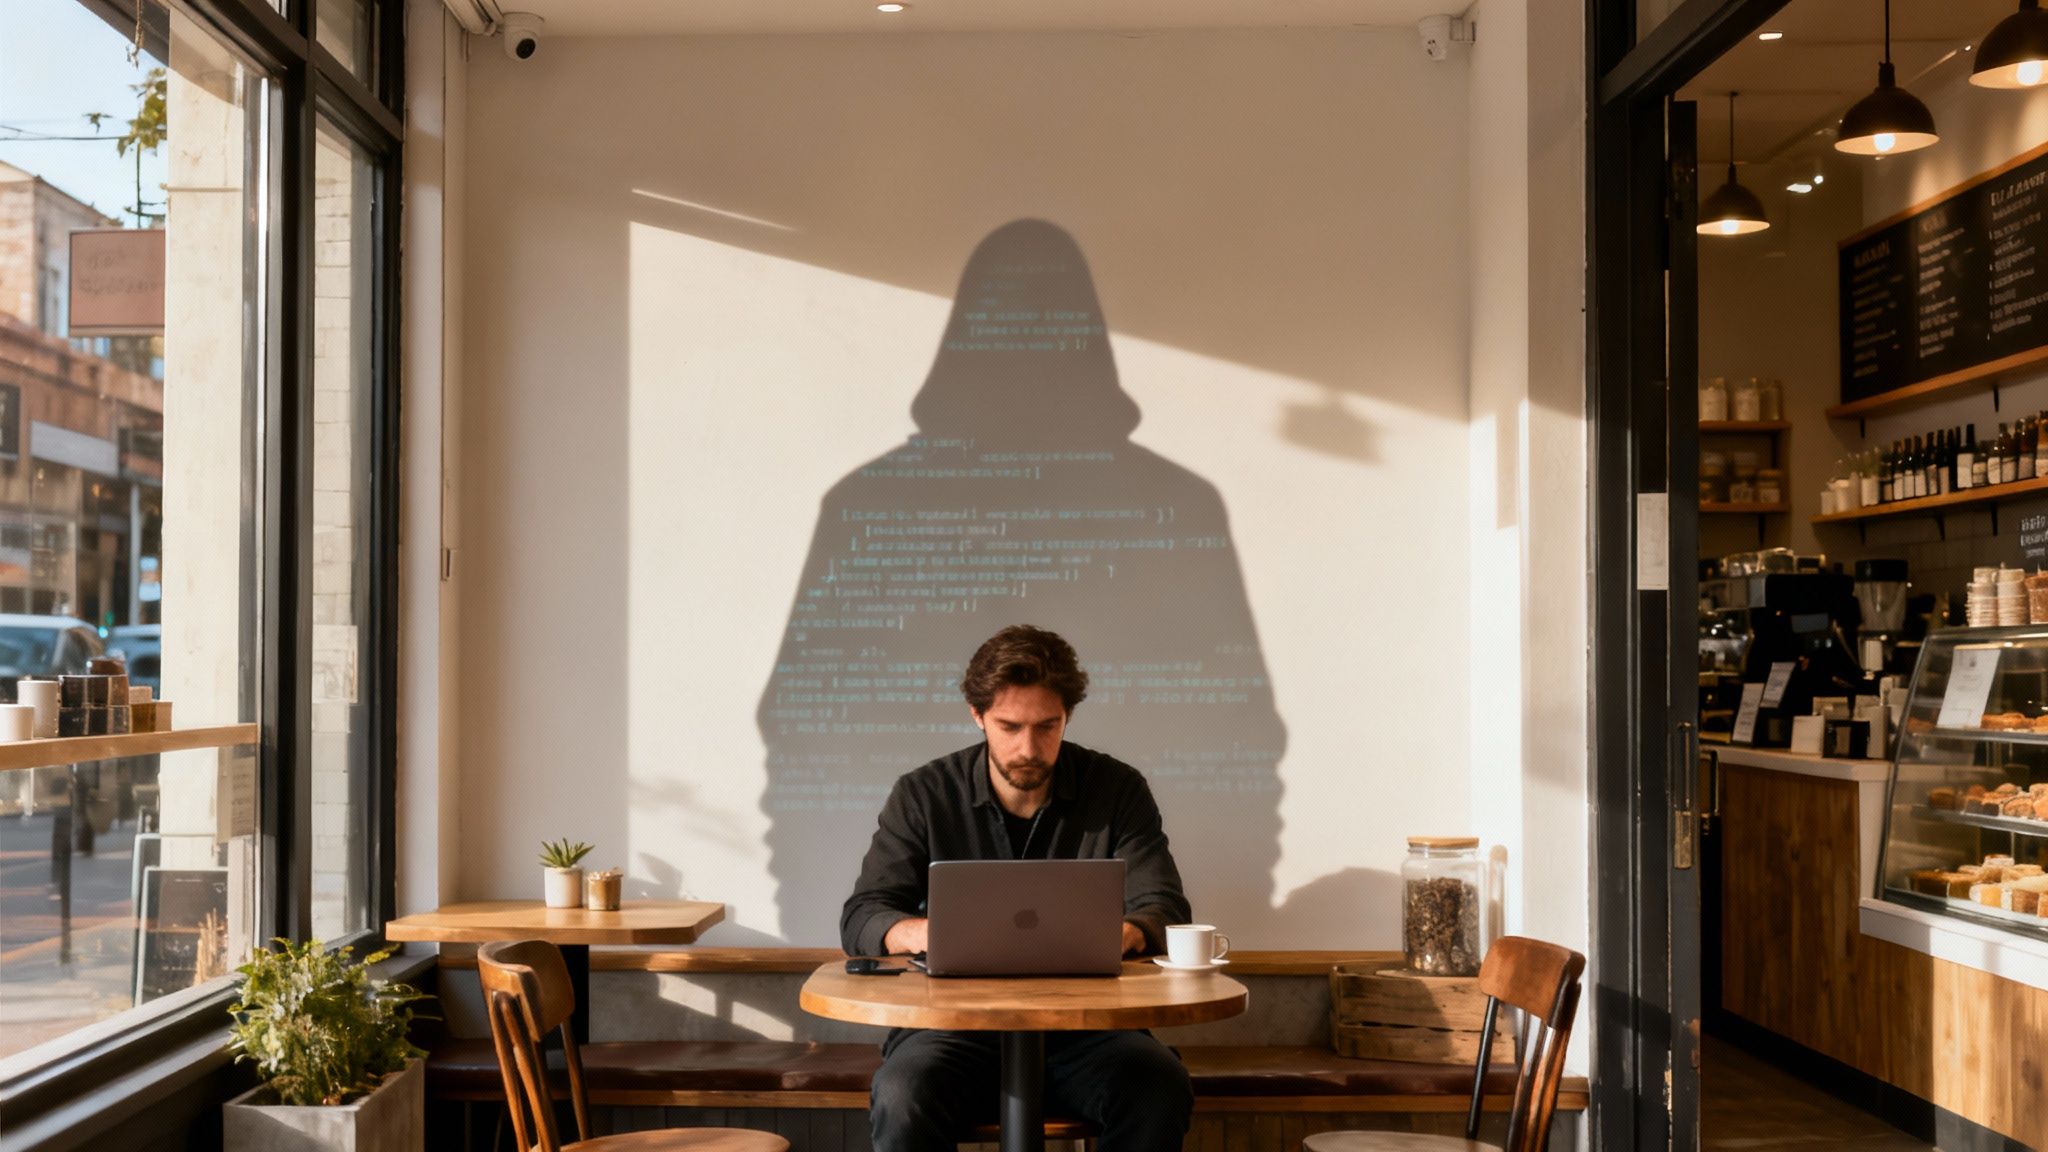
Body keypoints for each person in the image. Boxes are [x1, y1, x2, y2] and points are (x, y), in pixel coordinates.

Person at [841, 624, 1196, 1152]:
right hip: (952, 1031)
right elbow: (863, 915)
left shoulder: (1117, 789)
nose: (1029, 748)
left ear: (1067, 716)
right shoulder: (924, 794)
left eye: (1047, 726)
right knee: (902, 1094)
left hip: (1088, 1030)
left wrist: (1119, 933)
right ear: (977, 714)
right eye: (1009, 727)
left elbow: (1165, 908)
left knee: (1157, 1087)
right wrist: (928, 933)